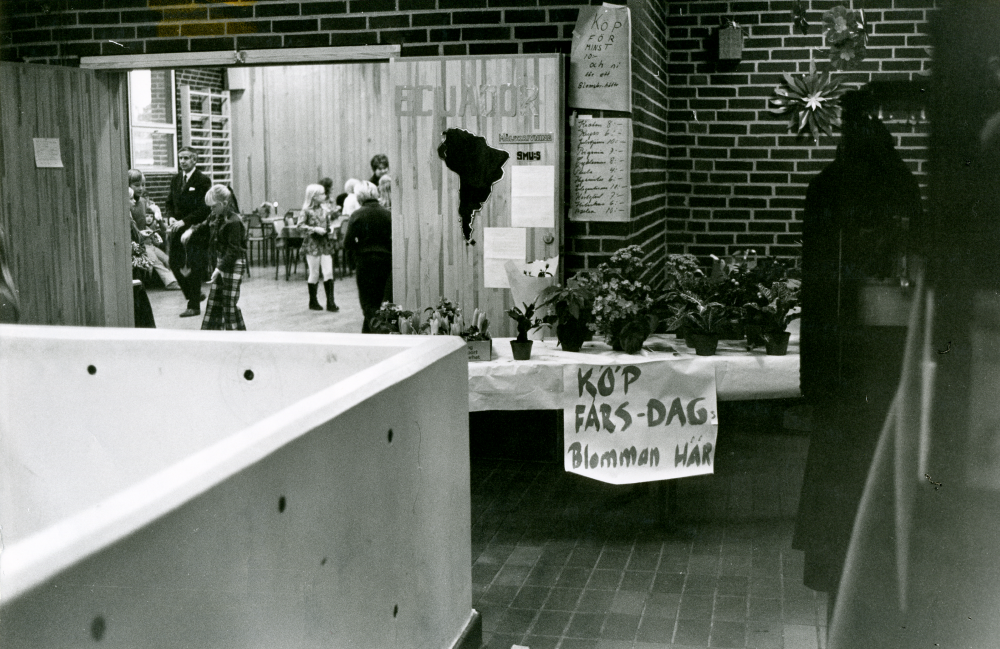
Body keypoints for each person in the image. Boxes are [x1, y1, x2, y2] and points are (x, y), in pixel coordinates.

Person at [792, 90, 924, 610]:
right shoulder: (897, 186)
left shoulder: (830, 189)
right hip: (877, 355)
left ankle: (838, 569)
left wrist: (814, 374)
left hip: (846, 357)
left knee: (840, 462)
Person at [166, 147, 212, 317]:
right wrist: (170, 217)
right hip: (178, 229)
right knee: (174, 263)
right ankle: (193, 294)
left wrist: (184, 222)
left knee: (194, 266)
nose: (182, 161)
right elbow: (169, 202)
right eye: (180, 158)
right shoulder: (176, 179)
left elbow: (203, 209)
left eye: (186, 158)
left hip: (196, 230)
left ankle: (193, 306)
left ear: (194, 160)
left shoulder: (202, 180)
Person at [198, 184, 247, 330]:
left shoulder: (234, 221)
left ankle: (236, 335)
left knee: (228, 303)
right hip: (222, 262)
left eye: (213, 206)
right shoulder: (215, 215)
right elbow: (203, 226)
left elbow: (233, 250)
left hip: (233, 262)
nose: (211, 210)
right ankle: (212, 333)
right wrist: (190, 231)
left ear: (224, 204)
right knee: (214, 300)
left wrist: (219, 268)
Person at [344, 181, 391, 333]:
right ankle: (368, 332)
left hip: (365, 261)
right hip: (385, 260)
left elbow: (347, 243)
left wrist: (354, 258)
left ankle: (378, 330)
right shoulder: (387, 214)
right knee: (379, 298)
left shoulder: (357, 215)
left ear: (359, 197)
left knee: (367, 302)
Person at [128, 169, 179, 290]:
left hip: (148, 241)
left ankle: (179, 279)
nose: (141, 188)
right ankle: (170, 282)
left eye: (143, 185)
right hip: (138, 243)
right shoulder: (128, 204)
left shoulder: (144, 202)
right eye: (136, 185)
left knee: (167, 259)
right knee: (156, 262)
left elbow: (148, 216)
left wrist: (157, 214)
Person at [296, 183, 339, 312]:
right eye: (321, 194)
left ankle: (330, 302)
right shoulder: (306, 211)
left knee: (328, 272)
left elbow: (327, 223)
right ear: (314, 197)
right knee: (314, 273)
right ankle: (313, 301)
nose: (324, 196)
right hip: (312, 244)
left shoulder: (325, 210)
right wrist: (314, 229)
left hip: (324, 243)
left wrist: (328, 228)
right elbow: (299, 226)